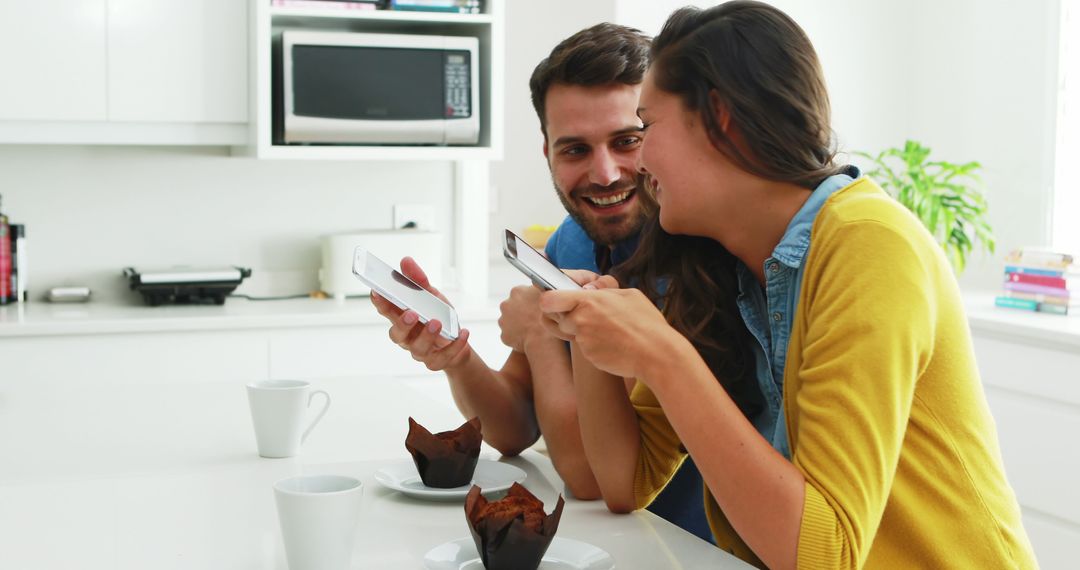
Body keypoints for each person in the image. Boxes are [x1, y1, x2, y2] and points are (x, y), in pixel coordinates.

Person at [539, 3, 1037, 569]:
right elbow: (625, 483)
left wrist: (663, 356)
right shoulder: (712, 260)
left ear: (721, 119)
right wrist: (586, 328)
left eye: (647, 127)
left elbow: (823, 555)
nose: (638, 159)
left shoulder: (870, 245)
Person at [370, 23, 716, 542]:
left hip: (687, 547)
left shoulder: (697, 258)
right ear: (546, 149)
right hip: (611, 539)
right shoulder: (569, 243)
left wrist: (540, 328)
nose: (605, 174)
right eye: (574, 149)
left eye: (627, 141)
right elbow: (515, 426)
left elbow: (589, 473)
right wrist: (455, 356)